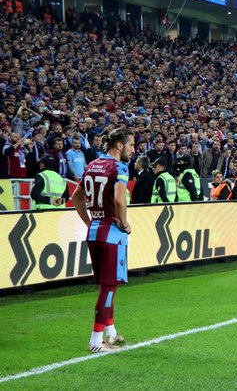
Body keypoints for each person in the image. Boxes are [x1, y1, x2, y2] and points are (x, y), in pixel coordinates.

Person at [71, 127, 134, 353]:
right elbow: (119, 199)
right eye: (131, 145)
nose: (132, 150)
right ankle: (96, 341)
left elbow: (76, 197)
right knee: (108, 288)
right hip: (112, 234)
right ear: (119, 145)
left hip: (95, 231)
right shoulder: (119, 167)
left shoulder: (91, 165)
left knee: (108, 286)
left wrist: (89, 222)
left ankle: (111, 333)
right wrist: (124, 223)